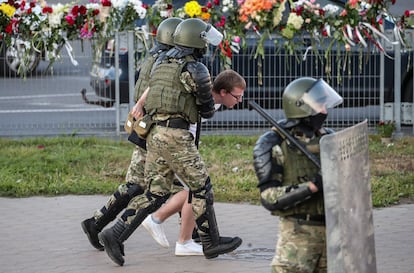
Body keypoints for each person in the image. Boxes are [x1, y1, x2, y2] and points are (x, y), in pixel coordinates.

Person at [98, 18, 243, 266]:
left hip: (156, 133)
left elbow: (150, 92)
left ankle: (115, 233)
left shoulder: (162, 63)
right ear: (197, 42)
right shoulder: (195, 69)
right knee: (201, 188)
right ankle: (211, 242)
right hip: (177, 136)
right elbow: (207, 110)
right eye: (205, 40)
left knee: (156, 192)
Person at [80, 17, 190, 252]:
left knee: (136, 185)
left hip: (145, 128)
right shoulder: (168, 62)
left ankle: (97, 222)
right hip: (156, 130)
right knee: (174, 186)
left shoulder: (153, 58)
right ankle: (193, 238)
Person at [138, 69, 246, 255]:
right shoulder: (201, 91)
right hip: (176, 144)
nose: (240, 101)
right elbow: (160, 84)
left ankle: (183, 239)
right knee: (197, 188)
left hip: (183, 145)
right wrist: (139, 104)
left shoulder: (216, 99)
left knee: (194, 189)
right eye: (237, 97)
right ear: (223, 92)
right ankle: (160, 222)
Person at [252, 77, 343, 273]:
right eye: (320, 105)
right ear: (301, 106)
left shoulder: (328, 139)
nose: (325, 111)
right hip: (297, 240)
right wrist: (312, 187)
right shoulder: (275, 143)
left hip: (333, 239)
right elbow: (268, 197)